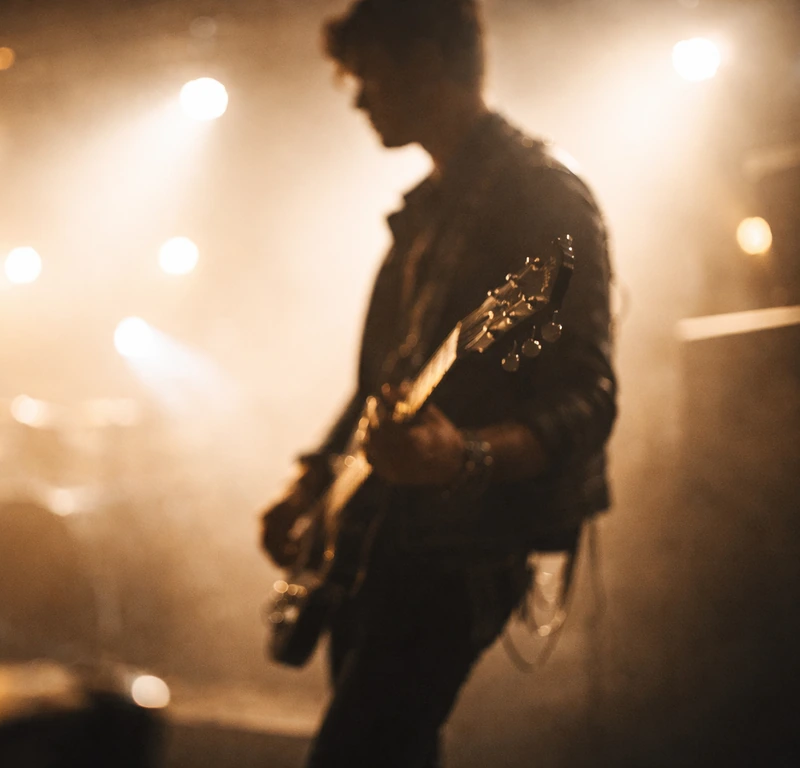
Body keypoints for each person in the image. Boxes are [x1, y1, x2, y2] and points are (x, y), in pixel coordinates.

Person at [259, 1, 618, 766]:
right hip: (382, 540)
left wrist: (467, 457)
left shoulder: (546, 196)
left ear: (425, 61)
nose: (357, 100)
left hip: (461, 553)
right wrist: (315, 479)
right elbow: (381, 389)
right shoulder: (428, 211)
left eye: (368, 77)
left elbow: (590, 400)